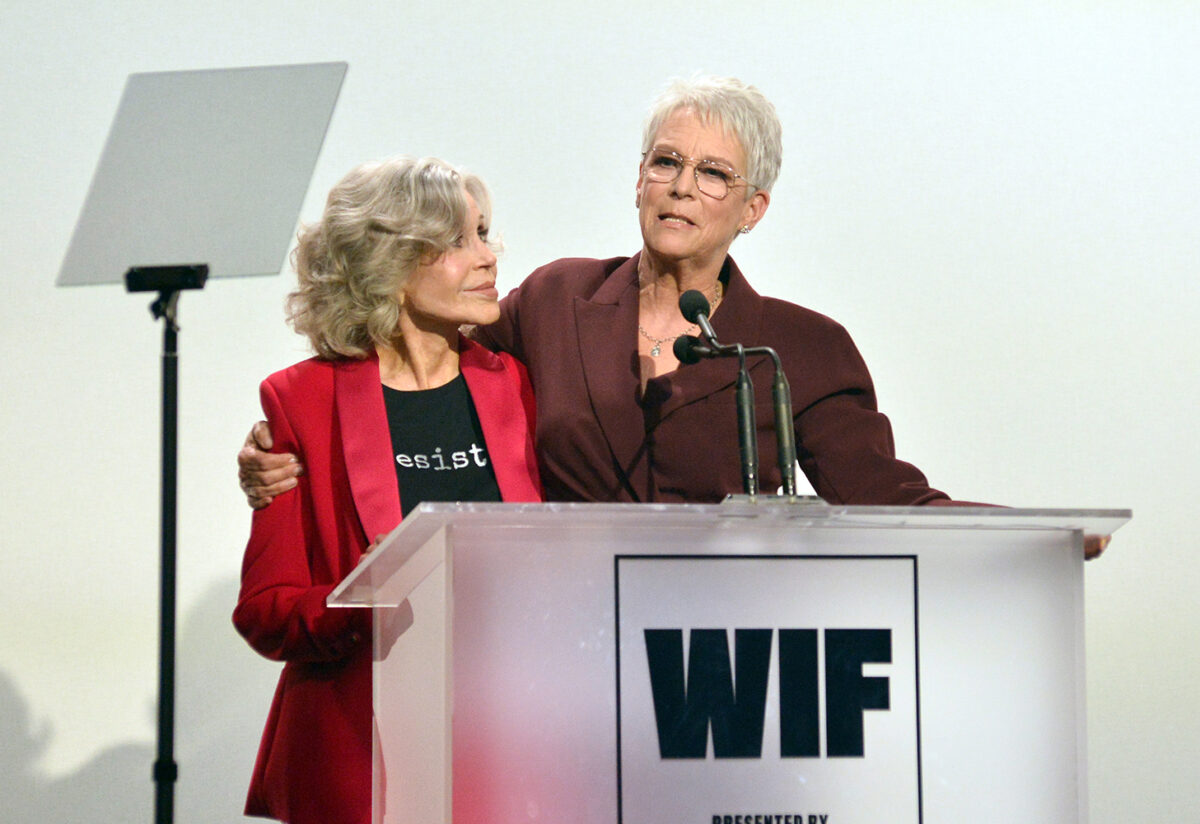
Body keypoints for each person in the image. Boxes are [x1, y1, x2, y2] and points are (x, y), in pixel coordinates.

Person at [236, 76, 1108, 555]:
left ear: (753, 208)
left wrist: (1025, 538)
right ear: (639, 176)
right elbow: (409, 353)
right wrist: (281, 449)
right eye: (665, 162)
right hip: (561, 648)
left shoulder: (798, 347)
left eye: (714, 174)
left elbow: (887, 498)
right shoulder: (555, 299)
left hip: (719, 656)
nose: (683, 187)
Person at [232, 156, 542, 824]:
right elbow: (264, 608)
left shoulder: (513, 382)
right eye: (459, 241)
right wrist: (365, 595)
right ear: (391, 266)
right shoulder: (299, 400)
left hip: (502, 746)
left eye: (485, 233)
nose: (489, 257)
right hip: (357, 756)